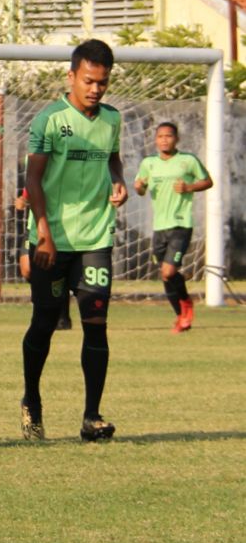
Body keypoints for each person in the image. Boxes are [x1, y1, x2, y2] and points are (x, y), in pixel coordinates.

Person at [20, 39, 127, 442]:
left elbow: (113, 158)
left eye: (102, 82)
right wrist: (43, 232)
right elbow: (33, 178)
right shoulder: (49, 120)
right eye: (88, 81)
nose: (96, 89)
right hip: (53, 239)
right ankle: (31, 400)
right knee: (45, 322)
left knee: (96, 324)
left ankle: (92, 416)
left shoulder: (112, 120)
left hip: (96, 236)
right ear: (71, 76)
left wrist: (118, 182)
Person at [134, 122, 212, 333]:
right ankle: (181, 316)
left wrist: (189, 187)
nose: (164, 140)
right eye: (160, 136)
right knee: (165, 274)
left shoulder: (187, 161)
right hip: (159, 227)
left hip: (181, 223)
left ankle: (186, 302)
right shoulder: (149, 163)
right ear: (155, 140)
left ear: (176, 139)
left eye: (169, 136)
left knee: (168, 272)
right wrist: (139, 187)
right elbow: (141, 188)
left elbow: (207, 181)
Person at [15, 185, 72, 330]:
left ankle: (61, 316)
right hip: (34, 228)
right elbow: (31, 185)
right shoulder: (35, 164)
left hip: (59, 227)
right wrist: (23, 198)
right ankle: (48, 308)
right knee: (27, 269)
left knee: (56, 271)